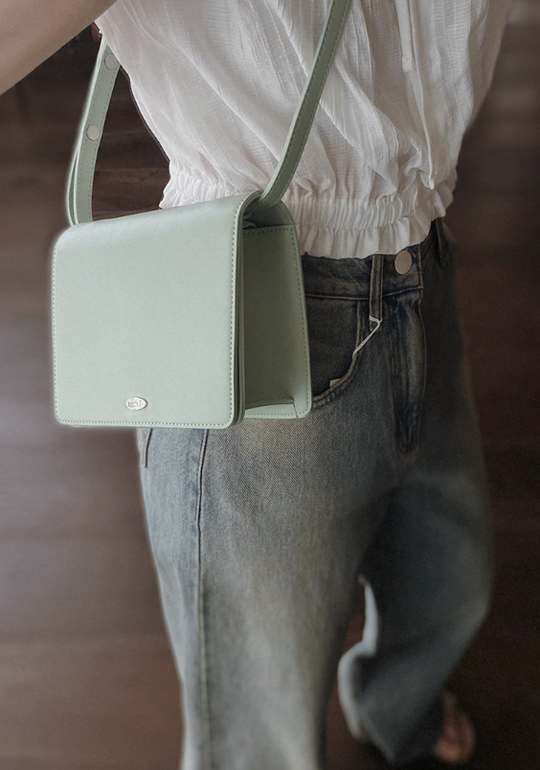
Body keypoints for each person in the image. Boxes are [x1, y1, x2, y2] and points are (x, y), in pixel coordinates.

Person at [2, 1, 514, 767]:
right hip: (256, 287)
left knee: (449, 572)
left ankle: (398, 701)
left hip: (422, 242)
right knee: (258, 687)